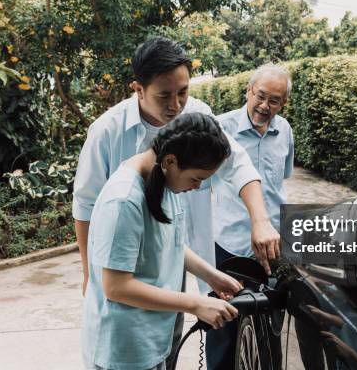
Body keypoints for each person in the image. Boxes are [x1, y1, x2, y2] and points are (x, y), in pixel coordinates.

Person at [73, 37, 280, 368]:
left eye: (183, 92)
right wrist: (91, 275)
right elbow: (89, 219)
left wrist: (214, 271)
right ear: (138, 89)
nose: (177, 104)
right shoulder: (121, 180)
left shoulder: (180, 148)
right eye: (165, 95)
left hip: (155, 316)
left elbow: (167, 239)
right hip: (125, 341)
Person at [82, 113, 243, 370]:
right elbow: (115, 287)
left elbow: (172, 242)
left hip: (153, 338)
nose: (197, 187)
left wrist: (212, 276)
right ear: (170, 160)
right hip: (125, 350)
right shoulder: (124, 200)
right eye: (196, 178)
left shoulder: (165, 181)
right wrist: (195, 304)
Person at [207, 64, 295, 370]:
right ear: (248, 91)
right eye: (260, 96)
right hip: (230, 246)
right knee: (223, 329)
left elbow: (281, 180)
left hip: (275, 248)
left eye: (275, 100)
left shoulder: (285, 130)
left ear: (283, 103)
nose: (264, 106)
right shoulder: (220, 128)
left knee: (271, 329)